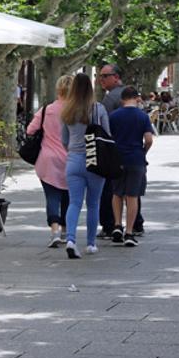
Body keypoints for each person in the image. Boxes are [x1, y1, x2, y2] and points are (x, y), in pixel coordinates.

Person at [60, 73, 110, 258]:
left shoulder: (67, 111)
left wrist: (74, 150)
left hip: (73, 160)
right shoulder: (98, 109)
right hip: (95, 160)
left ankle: (71, 239)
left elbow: (63, 140)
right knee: (93, 203)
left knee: (74, 202)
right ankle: (90, 243)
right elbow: (107, 135)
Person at [28, 75, 71, 248]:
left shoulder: (47, 110)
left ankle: (54, 230)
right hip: (71, 158)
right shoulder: (77, 111)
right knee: (69, 196)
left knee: (52, 196)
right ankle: (67, 230)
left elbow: (30, 130)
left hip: (48, 158)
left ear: (58, 89)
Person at [108, 86, 153, 247]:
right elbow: (148, 139)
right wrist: (143, 152)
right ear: (137, 98)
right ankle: (129, 232)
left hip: (117, 159)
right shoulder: (142, 116)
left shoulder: (113, 116)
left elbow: (109, 137)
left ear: (122, 100)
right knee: (132, 196)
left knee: (117, 193)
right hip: (136, 159)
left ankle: (117, 225)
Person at [96, 63, 127, 239]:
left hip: (113, 150)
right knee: (130, 189)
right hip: (130, 149)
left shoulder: (109, 99)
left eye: (105, 76)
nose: (101, 80)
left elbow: (104, 128)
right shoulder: (129, 95)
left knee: (108, 189)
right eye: (100, 76)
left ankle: (109, 224)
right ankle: (135, 223)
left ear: (116, 77)